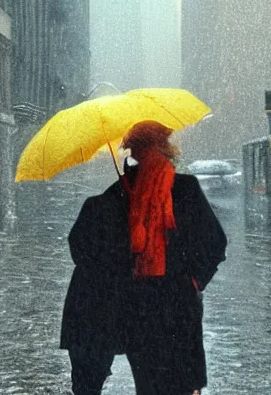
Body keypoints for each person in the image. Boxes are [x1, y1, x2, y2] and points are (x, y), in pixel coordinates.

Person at [60, 121, 227, 395]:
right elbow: (214, 244)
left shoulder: (115, 196)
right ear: (165, 147)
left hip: (138, 309)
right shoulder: (184, 188)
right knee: (180, 385)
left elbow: (84, 252)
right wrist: (192, 282)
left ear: (131, 151)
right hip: (177, 306)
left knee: (149, 384)